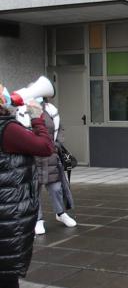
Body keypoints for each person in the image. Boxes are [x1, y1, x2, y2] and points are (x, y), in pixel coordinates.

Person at [0, 83, 55, 288]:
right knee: (7, 273)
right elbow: (45, 147)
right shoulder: (7, 129)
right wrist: (37, 118)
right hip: (8, 211)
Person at [34, 98, 76, 235]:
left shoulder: (51, 110)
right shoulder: (25, 110)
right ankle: (38, 219)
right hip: (33, 157)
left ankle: (60, 213)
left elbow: (59, 129)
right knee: (35, 189)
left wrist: (56, 145)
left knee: (56, 188)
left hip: (51, 155)